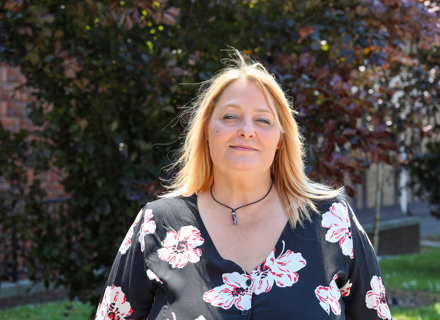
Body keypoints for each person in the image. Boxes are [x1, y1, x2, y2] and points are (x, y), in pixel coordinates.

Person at [95, 50, 392, 320]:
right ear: (207, 131)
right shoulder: (156, 224)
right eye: (230, 116)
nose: (246, 130)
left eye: (263, 120)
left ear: (280, 139)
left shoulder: (332, 221)